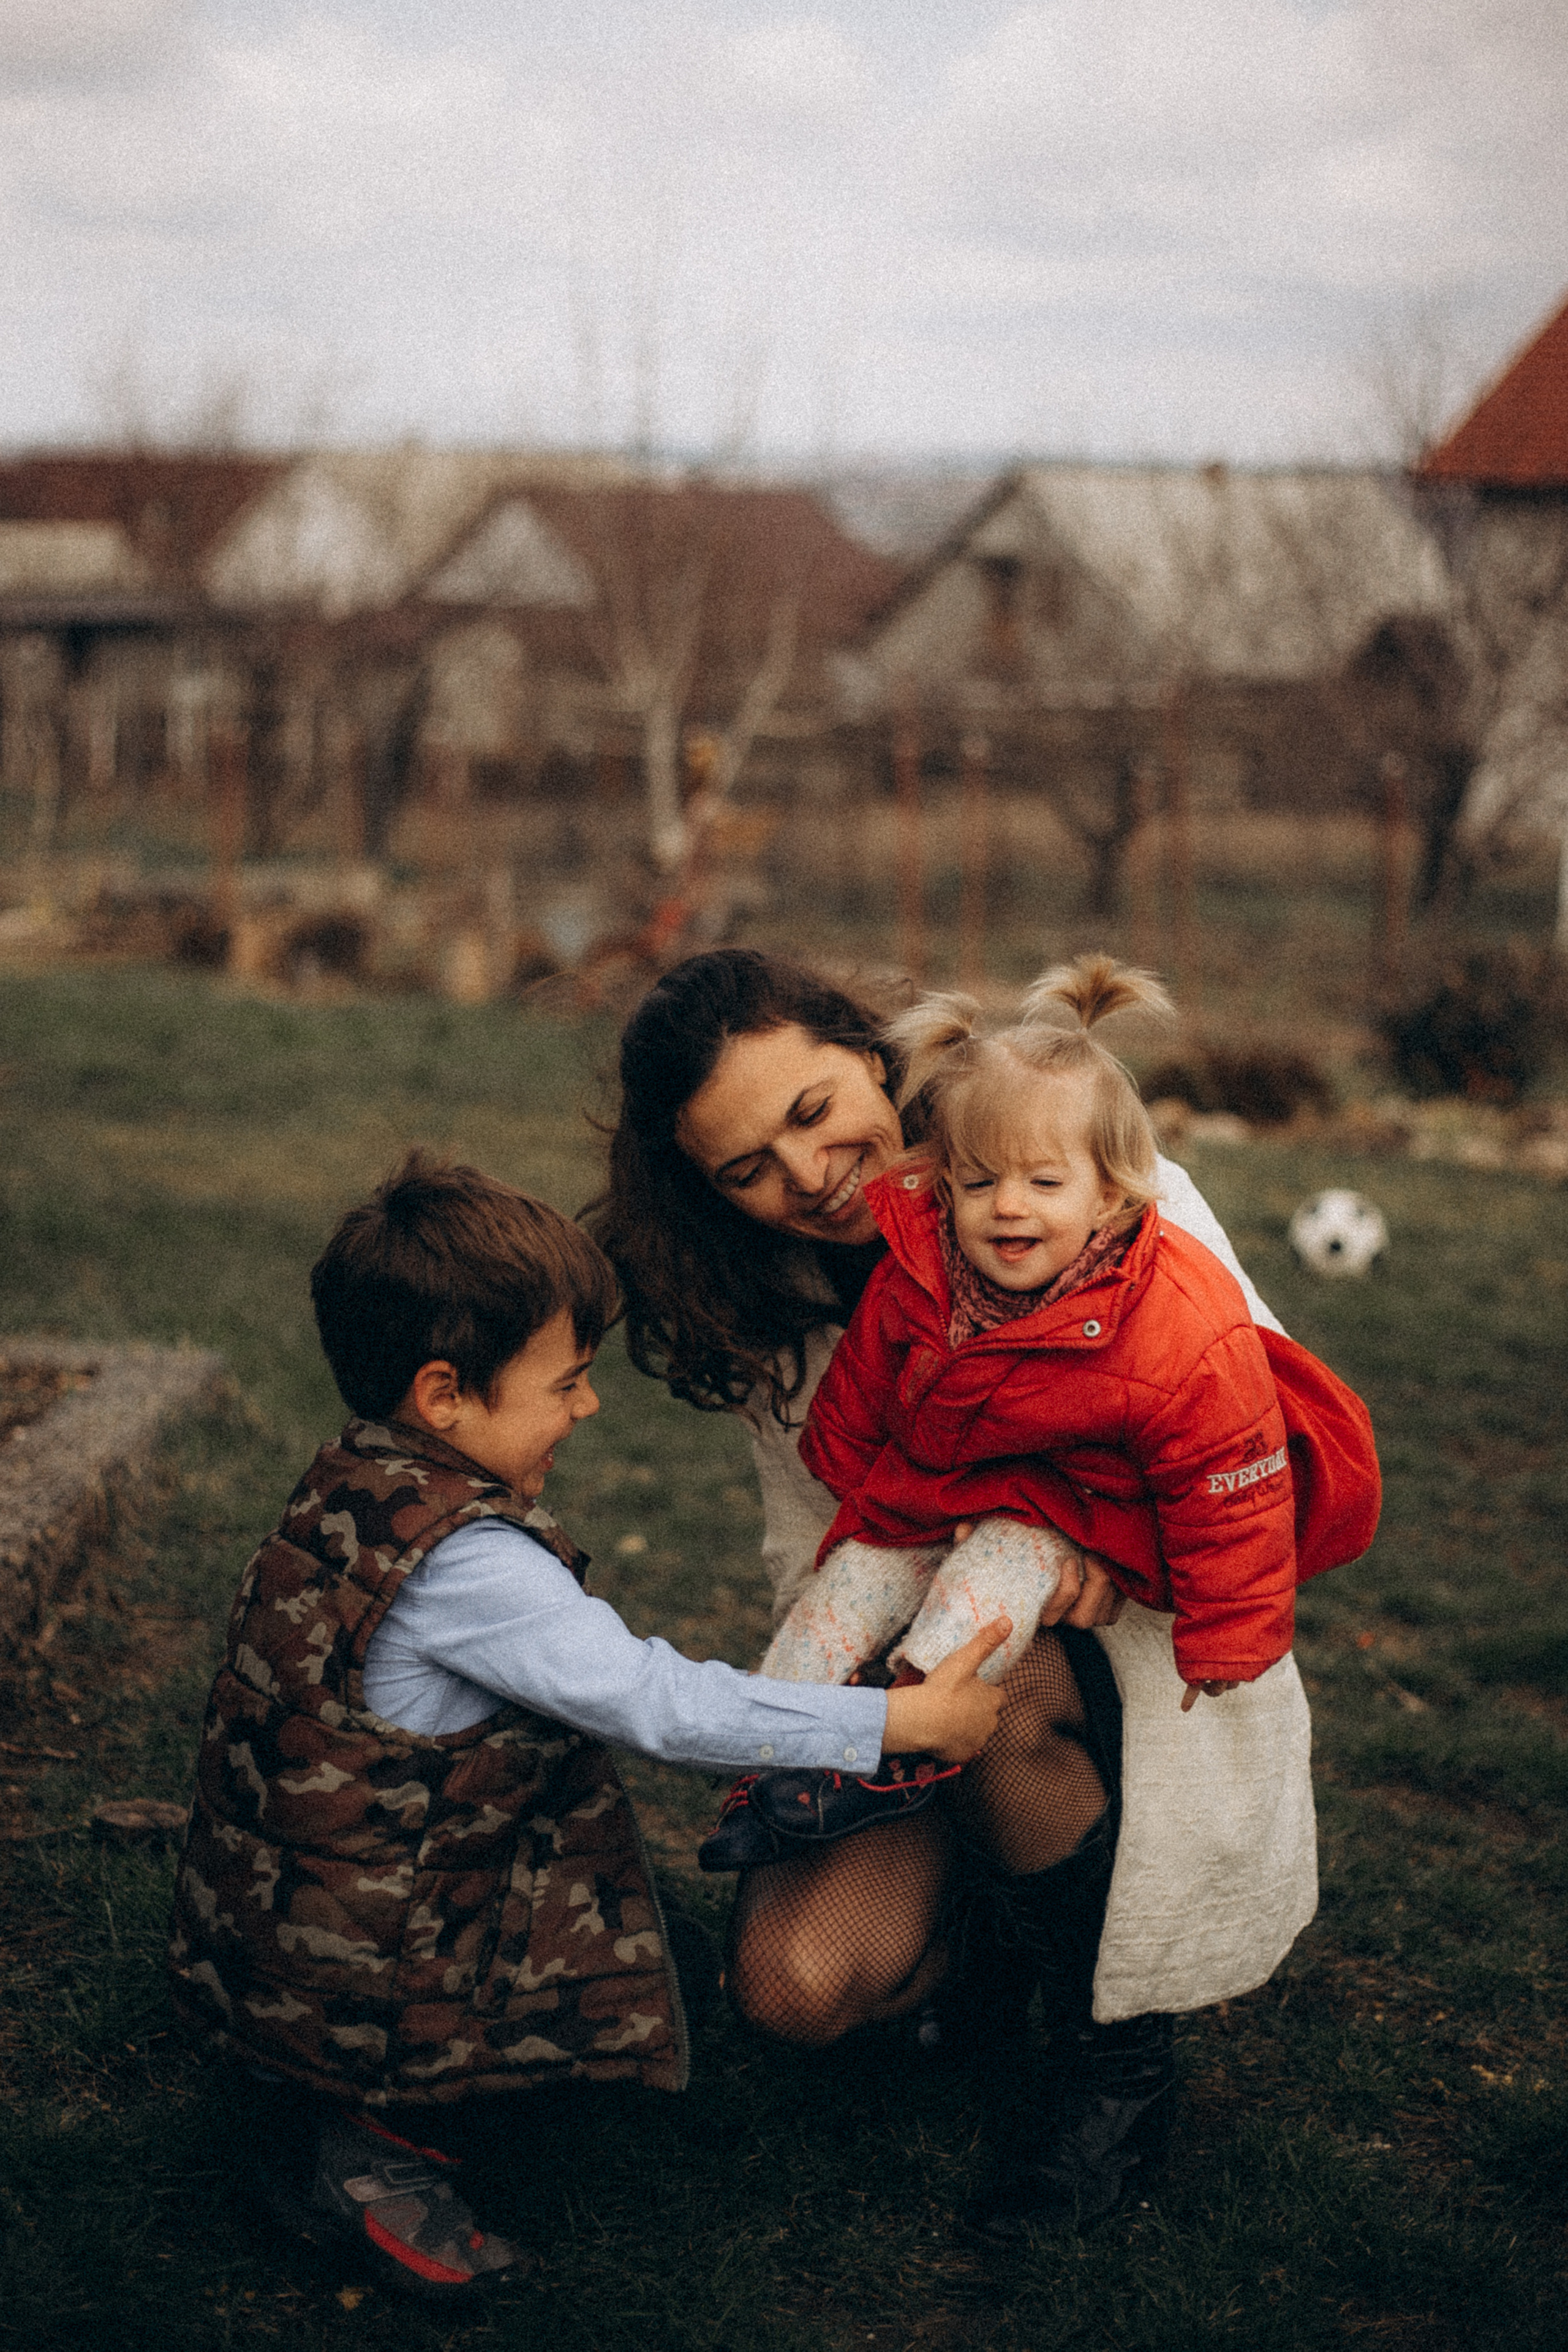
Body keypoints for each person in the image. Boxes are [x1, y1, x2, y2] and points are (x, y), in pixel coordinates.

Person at [590, 947, 1359, 2240]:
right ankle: (991, 1926)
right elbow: (811, 1553)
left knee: (997, 1685)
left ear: (865, 1051)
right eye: (746, 1170)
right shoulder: (769, 1300)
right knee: (794, 1987)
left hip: (1129, 1667)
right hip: (903, 1673)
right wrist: (866, 1695)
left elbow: (1254, 1467)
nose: (806, 1174)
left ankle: (1113, 2060)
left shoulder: (1093, 1188)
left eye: (811, 1111)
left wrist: (1101, 1557)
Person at [166, 1152, 1007, 2300]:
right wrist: (894, 1718)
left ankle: (306, 2081)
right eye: (566, 1382)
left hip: (270, 1909)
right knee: (448, 1993)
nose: (589, 1404)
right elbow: (663, 1705)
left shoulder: (354, 1482)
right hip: (375, 1958)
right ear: (446, 1394)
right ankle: (369, 2157)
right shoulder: (473, 1569)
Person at [744, 955, 1377, 1844]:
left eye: (1044, 1184)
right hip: (937, 1491)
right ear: (944, 1180)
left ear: (1112, 1192)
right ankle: (775, 1748)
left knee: (986, 1585)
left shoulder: (1175, 1322)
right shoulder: (923, 1266)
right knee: (840, 1587)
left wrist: (1230, 1634)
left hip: (1072, 1513)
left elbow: (1231, 1480)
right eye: (980, 1182)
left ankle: (903, 1745)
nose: (1008, 1209)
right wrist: (852, 1487)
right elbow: (862, 1384)